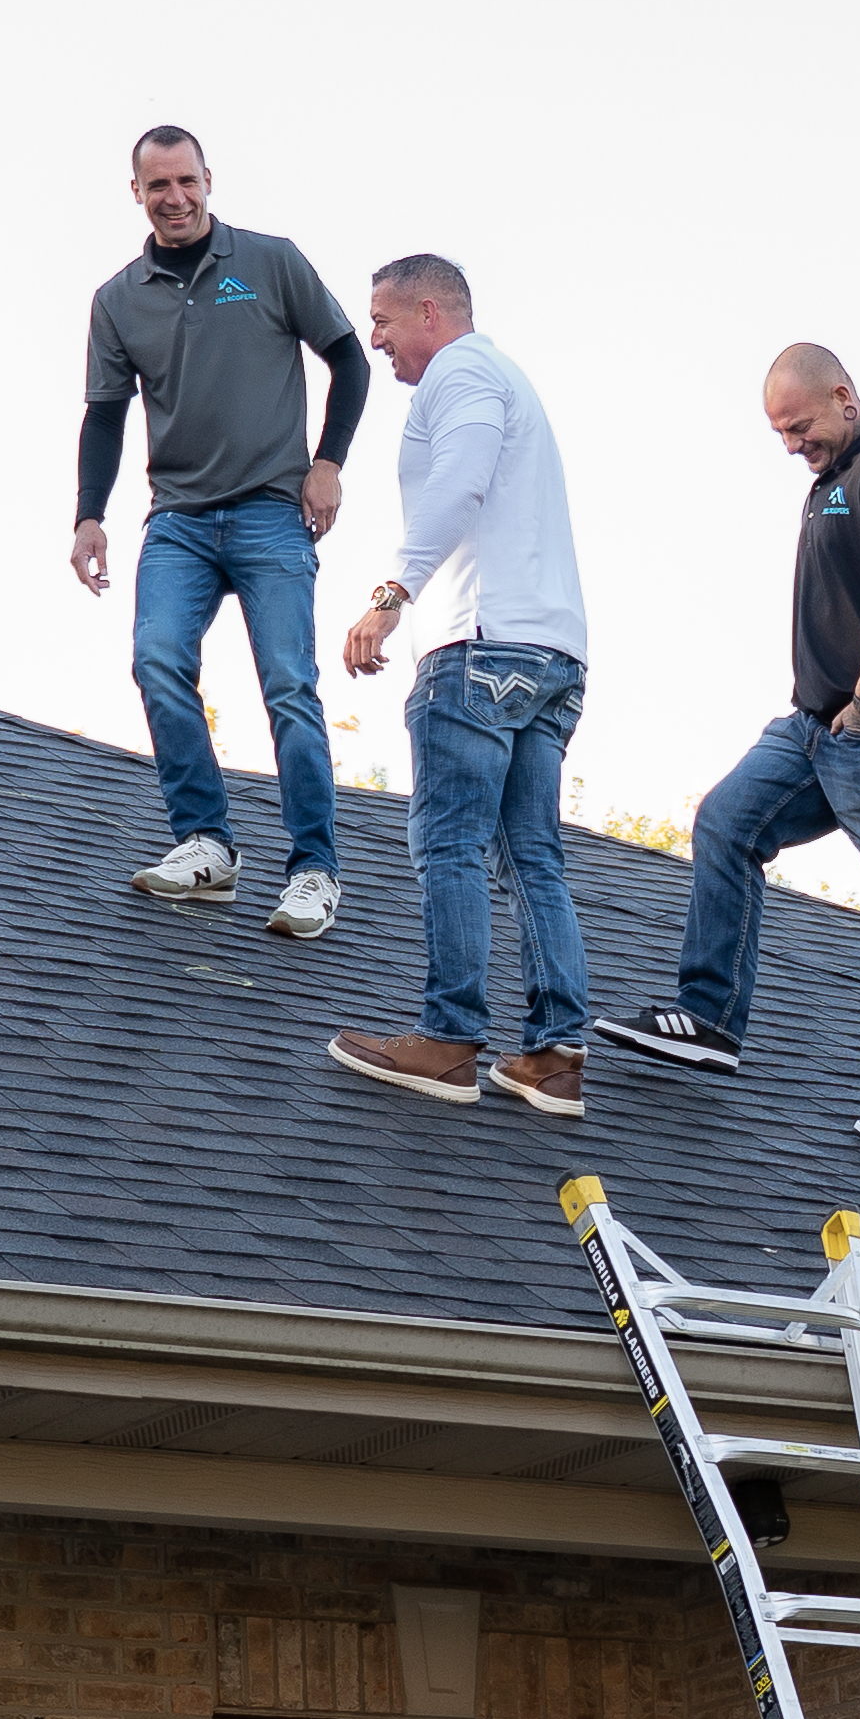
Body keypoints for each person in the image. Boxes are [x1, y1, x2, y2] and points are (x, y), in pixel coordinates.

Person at [595, 344, 860, 1155]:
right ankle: (708, 1017)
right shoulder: (829, 482)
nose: (791, 445)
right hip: (811, 728)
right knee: (727, 823)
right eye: (779, 433)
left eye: (799, 426)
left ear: (843, 397)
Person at [69, 124, 368, 942]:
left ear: (209, 180)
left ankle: (313, 870)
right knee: (156, 660)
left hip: (273, 511)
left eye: (186, 183)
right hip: (178, 522)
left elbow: (350, 359)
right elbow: (104, 415)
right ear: (136, 192)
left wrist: (328, 462)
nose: (174, 199)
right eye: (157, 186)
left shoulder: (270, 262)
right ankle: (207, 845)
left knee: (289, 688)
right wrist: (88, 514)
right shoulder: (118, 297)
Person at [325, 256, 594, 1121]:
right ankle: (554, 1057)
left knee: (449, 843)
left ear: (429, 312)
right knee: (531, 856)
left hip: (479, 645)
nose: (374, 339)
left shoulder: (463, 371)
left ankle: (447, 1040)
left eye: (383, 320)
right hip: (553, 655)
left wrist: (389, 595)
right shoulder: (507, 377)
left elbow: (461, 478)